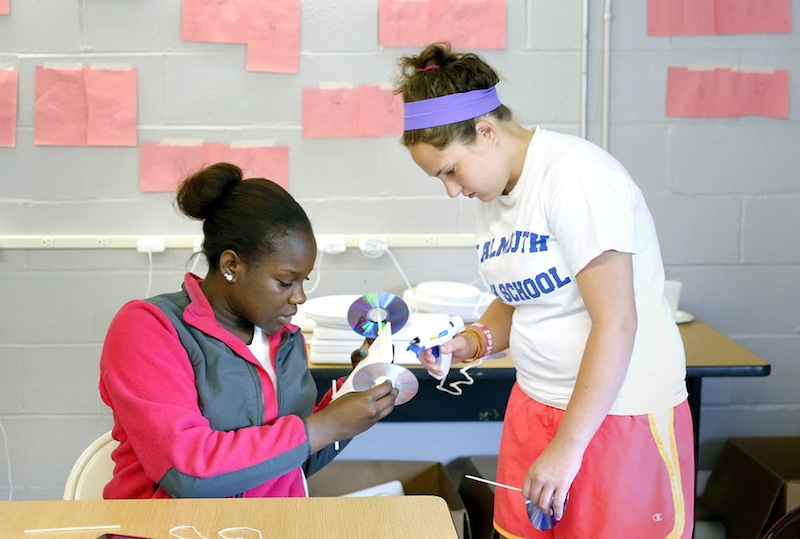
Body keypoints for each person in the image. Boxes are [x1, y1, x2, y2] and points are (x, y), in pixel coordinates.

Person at [394, 43, 694, 538]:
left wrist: (567, 446)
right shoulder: (495, 190)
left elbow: (617, 321)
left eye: (450, 170)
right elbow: (523, 298)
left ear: (486, 132)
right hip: (537, 403)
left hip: (615, 417)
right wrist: (469, 342)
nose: (451, 190)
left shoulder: (576, 178)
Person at [99, 162, 398, 499]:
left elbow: (291, 464)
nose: (299, 297)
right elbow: (187, 473)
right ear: (232, 266)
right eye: (285, 282)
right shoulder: (149, 328)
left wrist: (352, 398)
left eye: (304, 281)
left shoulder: (285, 340)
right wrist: (324, 426)